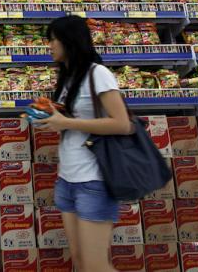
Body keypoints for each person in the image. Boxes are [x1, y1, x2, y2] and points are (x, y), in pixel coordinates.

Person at [38, 15, 133, 272]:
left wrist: (68, 123)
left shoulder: (97, 74)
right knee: (80, 263)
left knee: (95, 266)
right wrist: (46, 118)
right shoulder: (68, 79)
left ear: (69, 41)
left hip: (95, 180)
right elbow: (73, 121)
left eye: (52, 40)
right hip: (67, 179)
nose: (49, 46)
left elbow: (122, 124)